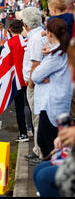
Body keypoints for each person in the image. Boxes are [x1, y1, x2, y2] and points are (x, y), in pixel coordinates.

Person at [31, 18, 73, 159]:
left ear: (49, 33)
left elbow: (36, 75)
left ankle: (53, 177)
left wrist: (43, 75)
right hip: (58, 104)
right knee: (46, 142)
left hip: (51, 106)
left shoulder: (56, 55)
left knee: (50, 145)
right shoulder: (62, 51)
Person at [22, 7, 46, 164]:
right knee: (36, 118)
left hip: (35, 84)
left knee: (37, 119)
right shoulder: (36, 35)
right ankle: (38, 149)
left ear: (25, 24)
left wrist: (30, 84)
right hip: (35, 83)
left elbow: (36, 63)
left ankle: (40, 152)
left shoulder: (37, 38)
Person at [7, 20, 29, 142]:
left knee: (19, 107)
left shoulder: (9, 43)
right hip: (28, 78)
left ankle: (23, 133)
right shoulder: (27, 42)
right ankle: (32, 129)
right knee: (30, 105)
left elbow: (5, 65)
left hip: (16, 79)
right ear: (22, 29)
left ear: (10, 30)